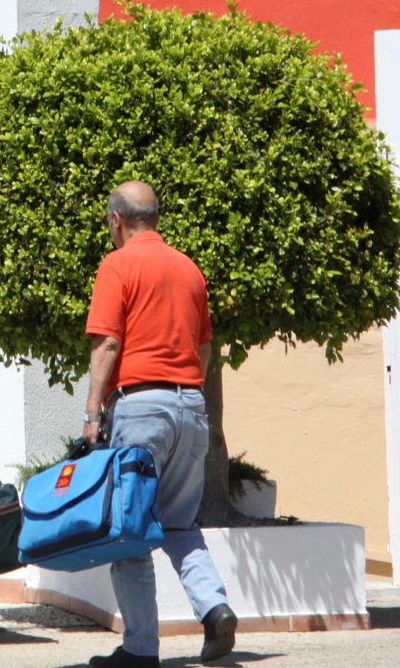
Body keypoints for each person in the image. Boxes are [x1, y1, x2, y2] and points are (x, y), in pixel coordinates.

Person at [81, 181, 237, 667]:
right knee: (178, 522)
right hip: (190, 405)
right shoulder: (188, 267)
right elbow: (206, 346)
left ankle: (140, 648)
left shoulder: (118, 264)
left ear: (116, 220)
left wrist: (91, 413)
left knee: (131, 531)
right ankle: (214, 609)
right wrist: (184, 386)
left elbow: (107, 344)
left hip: (140, 406)